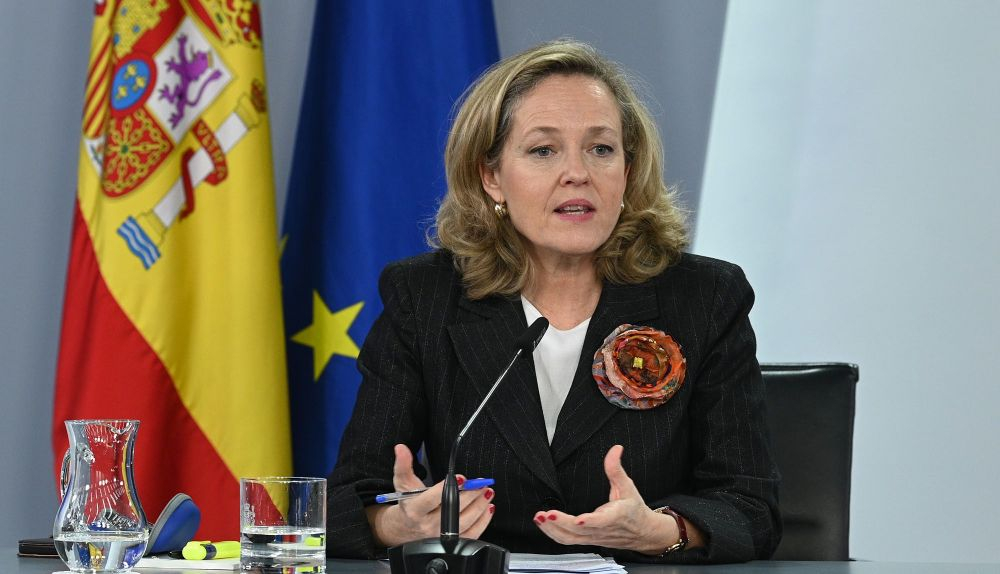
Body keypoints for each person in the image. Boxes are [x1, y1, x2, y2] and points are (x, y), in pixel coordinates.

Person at [326, 39, 781, 564]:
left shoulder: (705, 298)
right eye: (543, 150)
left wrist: (660, 531)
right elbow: (347, 500)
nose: (577, 173)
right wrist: (396, 523)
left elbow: (751, 508)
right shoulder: (425, 298)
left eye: (601, 149)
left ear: (627, 172)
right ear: (491, 177)